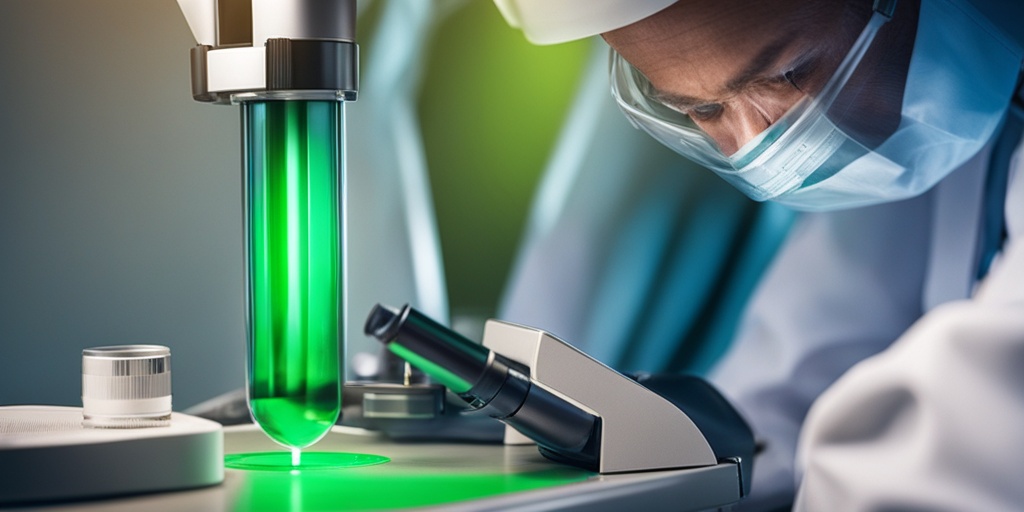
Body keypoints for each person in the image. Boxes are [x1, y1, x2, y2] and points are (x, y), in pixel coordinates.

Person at [495, 0, 1024, 509]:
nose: (756, 148)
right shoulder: (903, 125)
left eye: (790, 74)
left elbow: (976, 423)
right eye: (702, 109)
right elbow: (800, 377)